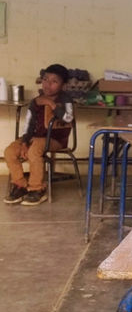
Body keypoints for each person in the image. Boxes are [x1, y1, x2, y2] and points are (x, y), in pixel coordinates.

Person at [3, 64, 74, 206]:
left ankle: (36, 189)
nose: (48, 84)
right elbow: (28, 124)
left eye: (54, 81)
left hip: (55, 139)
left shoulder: (66, 100)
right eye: (46, 80)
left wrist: (50, 104)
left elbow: (68, 118)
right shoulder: (35, 101)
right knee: (10, 151)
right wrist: (24, 142)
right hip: (33, 138)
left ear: (63, 85)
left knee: (34, 151)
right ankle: (20, 185)